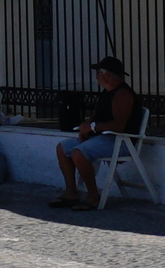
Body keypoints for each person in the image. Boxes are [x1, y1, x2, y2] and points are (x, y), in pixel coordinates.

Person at [53, 57, 146, 210]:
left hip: (120, 142)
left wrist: (93, 127)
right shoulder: (106, 93)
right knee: (63, 148)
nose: (96, 76)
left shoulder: (122, 94)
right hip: (102, 137)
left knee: (78, 153)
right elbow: (96, 118)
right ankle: (71, 192)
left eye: (98, 72)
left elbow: (119, 126)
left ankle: (93, 196)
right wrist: (87, 129)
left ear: (107, 75)